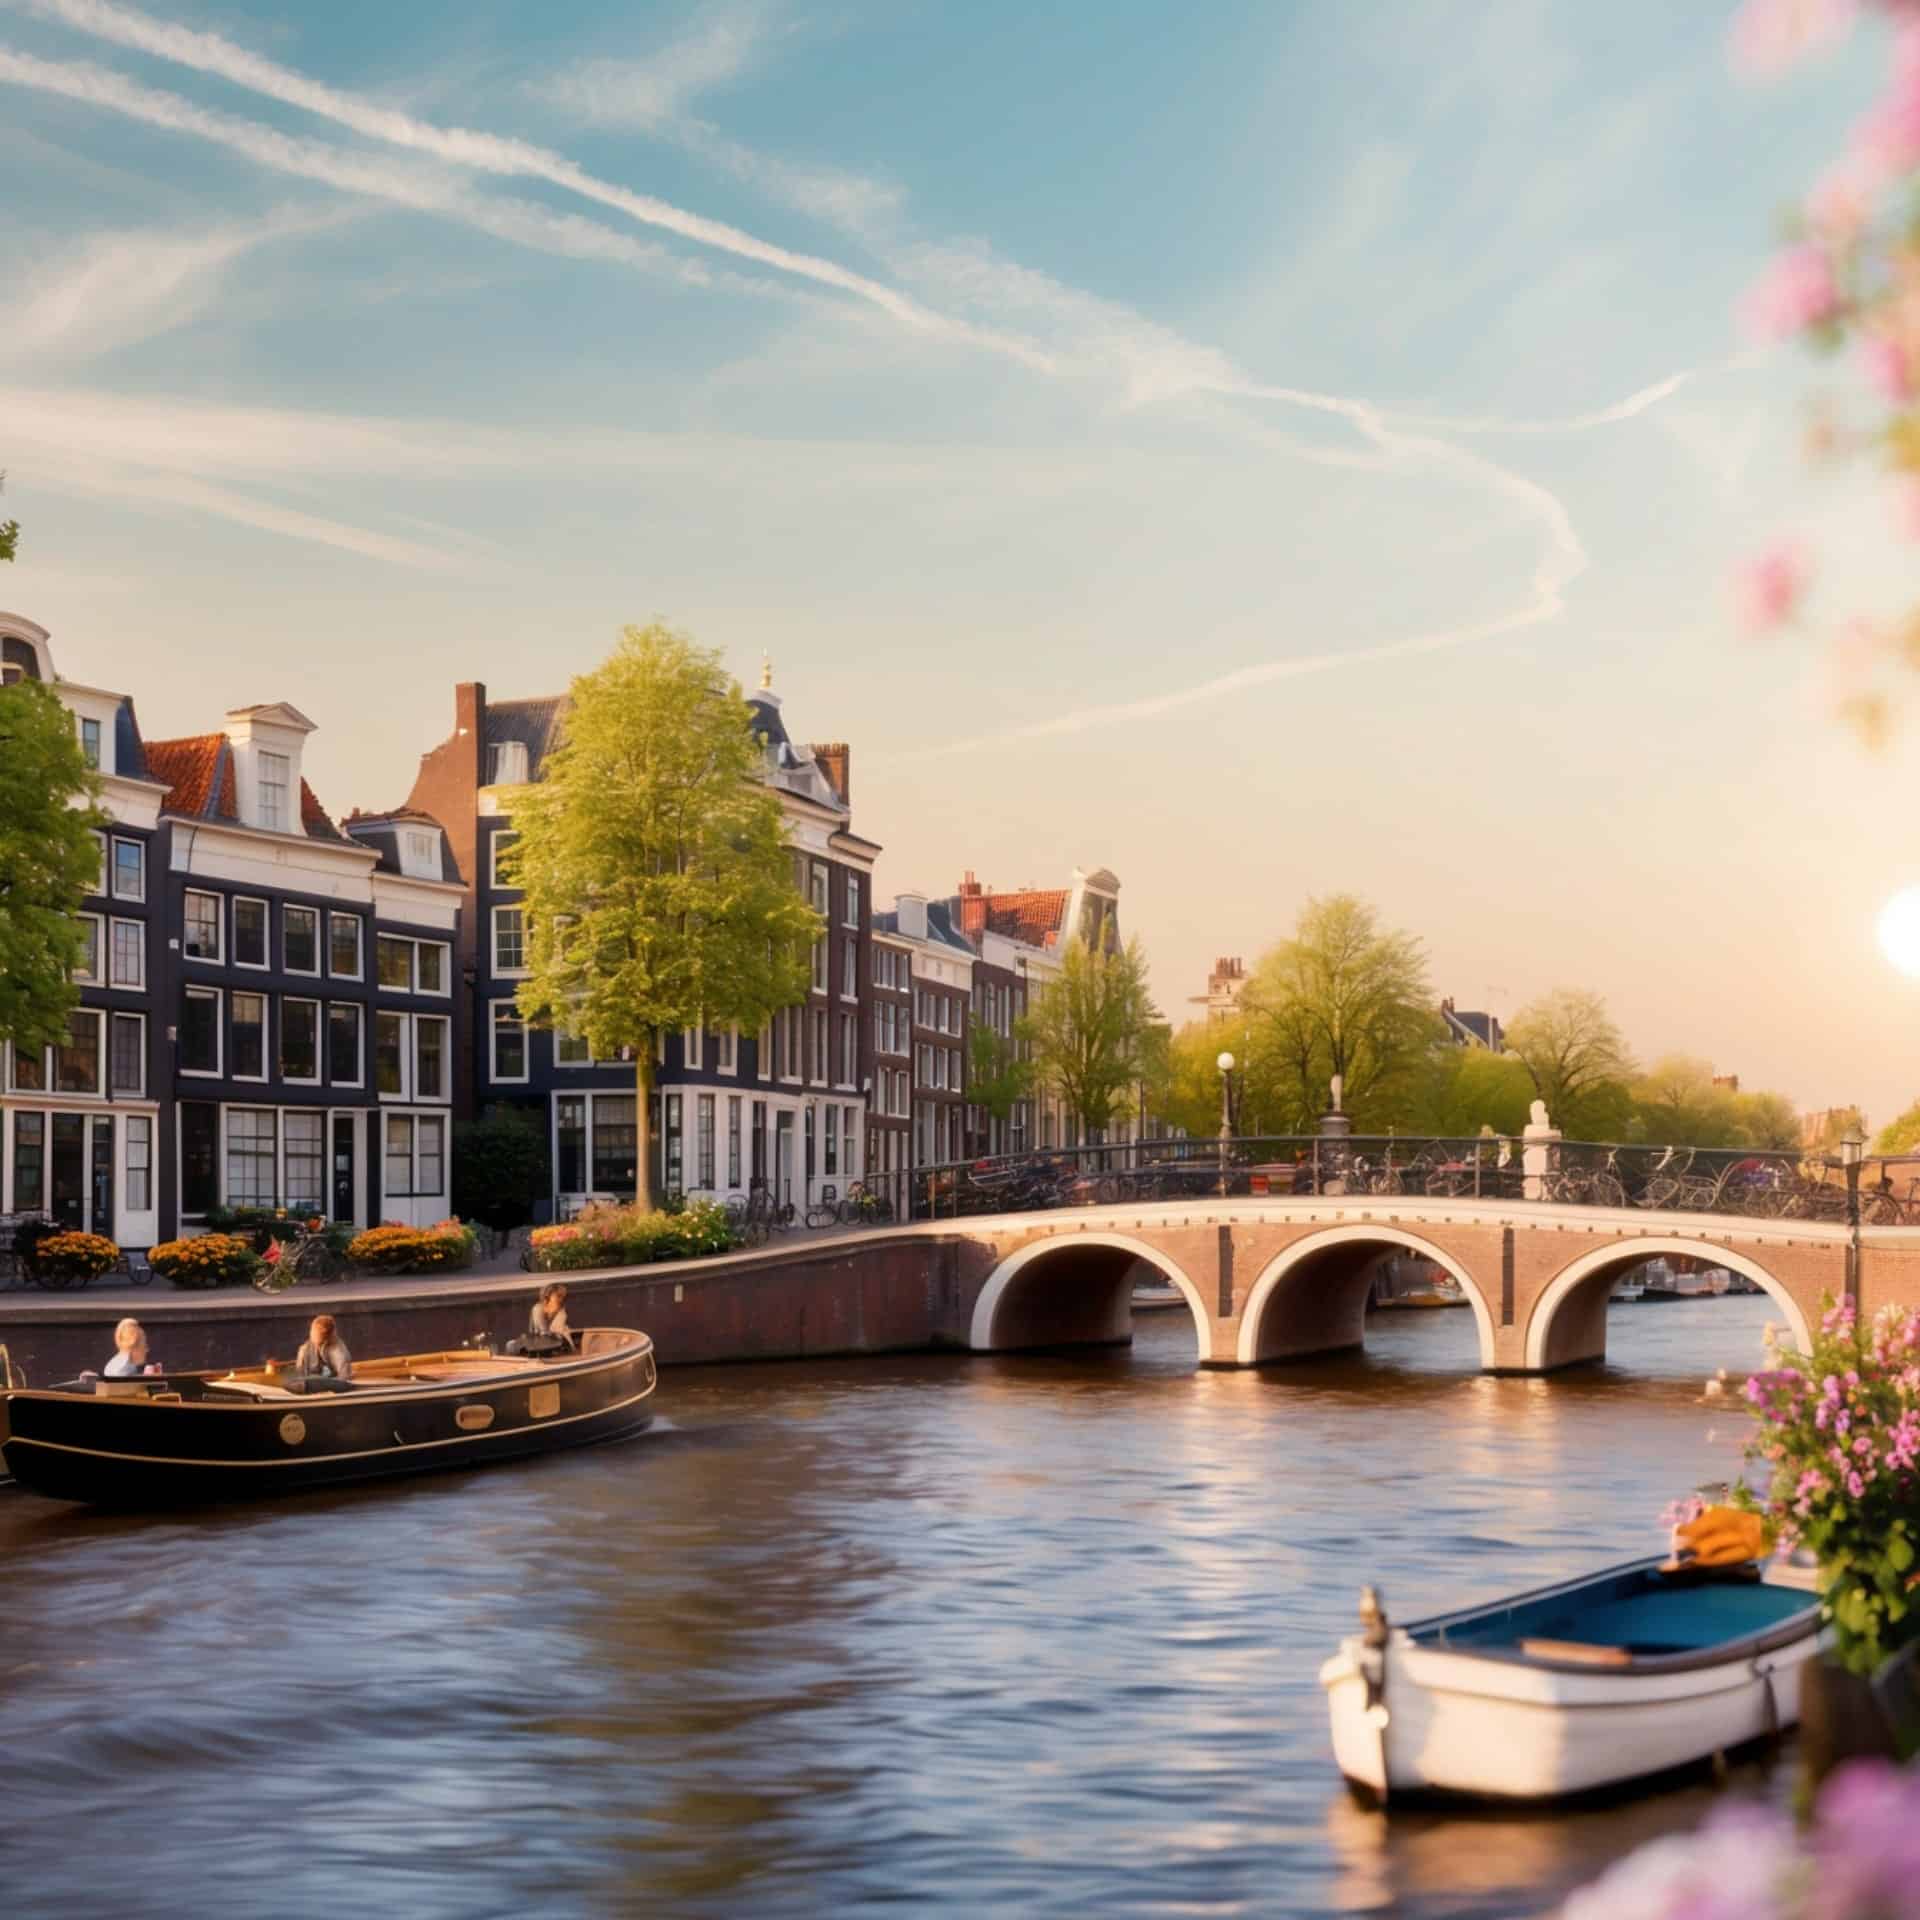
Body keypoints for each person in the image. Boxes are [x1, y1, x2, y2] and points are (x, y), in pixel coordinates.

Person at [293, 1314, 352, 1380]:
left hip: (333, 1381)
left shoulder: (340, 1353)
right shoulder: (305, 1350)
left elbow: (345, 1376)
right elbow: (300, 1376)